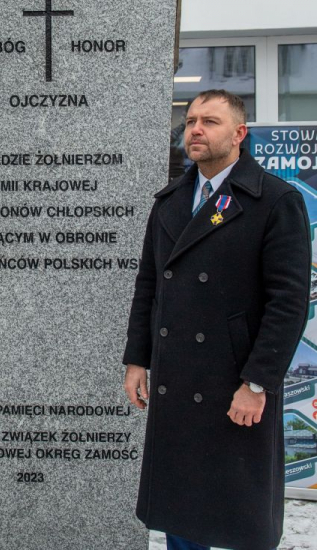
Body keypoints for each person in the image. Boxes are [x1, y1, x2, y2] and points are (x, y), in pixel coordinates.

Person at [123, 89, 311, 550]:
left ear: (240, 134)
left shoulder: (274, 200)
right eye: (190, 122)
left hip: (235, 383)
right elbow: (149, 285)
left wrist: (258, 382)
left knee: (239, 518)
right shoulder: (170, 201)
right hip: (177, 377)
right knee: (183, 516)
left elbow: (288, 301)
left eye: (210, 121)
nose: (196, 130)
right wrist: (136, 359)